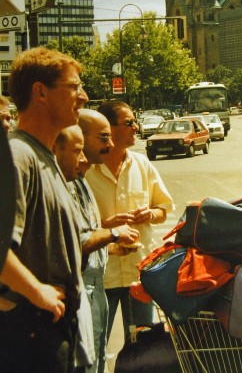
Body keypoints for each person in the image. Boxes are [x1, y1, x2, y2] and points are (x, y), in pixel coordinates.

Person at [0, 47, 89, 373]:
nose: (83, 96)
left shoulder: (43, 156)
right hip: (32, 332)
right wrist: (37, 292)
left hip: (50, 327)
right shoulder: (19, 157)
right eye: (74, 87)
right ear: (40, 92)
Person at [54, 117, 140, 373]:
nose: (110, 144)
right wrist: (113, 232)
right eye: (104, 138)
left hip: (96, 286)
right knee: (87, 364)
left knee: (99, 357)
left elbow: (86, 233)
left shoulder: (80, 177)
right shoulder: (67, 179)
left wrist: (110, 244)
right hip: (82, 290)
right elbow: (74, 242)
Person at [86, 100, 174, 341]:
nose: (136, 127)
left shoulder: (141, 164)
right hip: (103, 276)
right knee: (96, 344)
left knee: (143, 345)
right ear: (109, 128)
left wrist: (150, 214)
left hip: (139, 273)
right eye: (129, 122)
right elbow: (77, 225)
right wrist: (106, 225)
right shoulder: (86, 170)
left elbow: (163, 209)